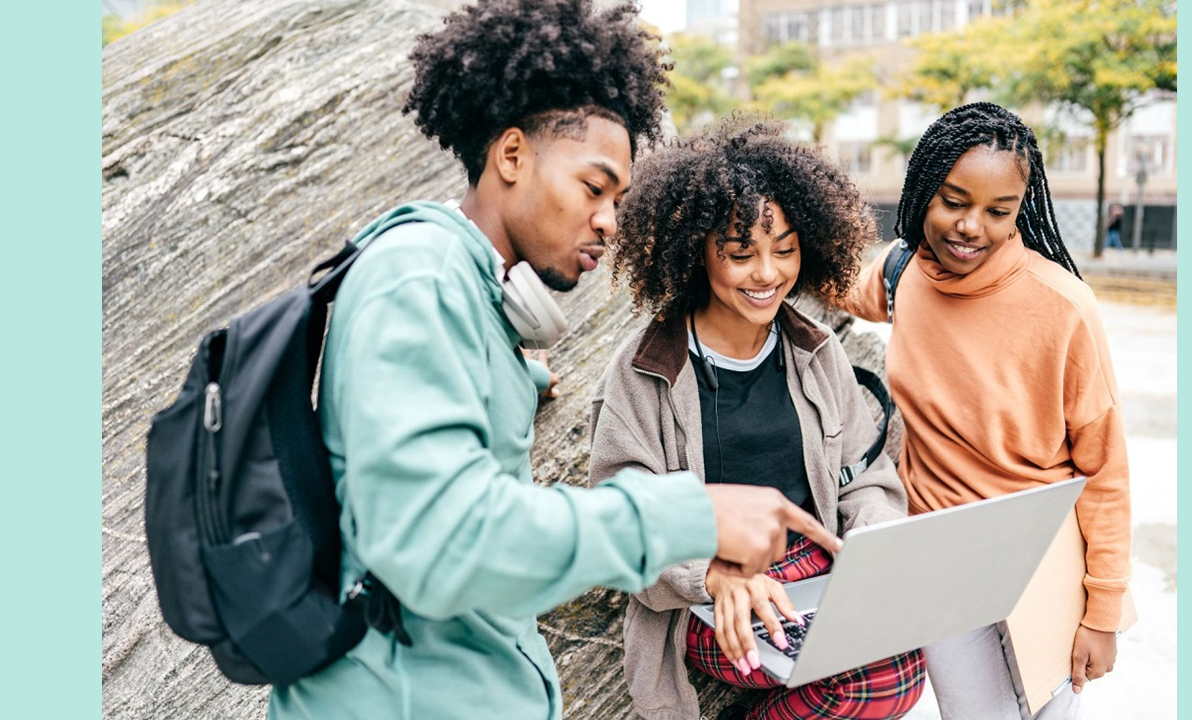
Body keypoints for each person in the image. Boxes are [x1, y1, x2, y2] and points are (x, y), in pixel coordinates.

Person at [267, 3, 841, 719]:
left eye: (620, 199)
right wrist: (690, 513)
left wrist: (519, 379)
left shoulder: (467, 300)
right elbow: (440, 548)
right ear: (511, 156)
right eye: (594, 188)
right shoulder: (417, 283)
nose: (609, 219)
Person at [588, 118, 925, 720]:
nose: (768, 273)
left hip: (817, 573)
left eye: (786, 248)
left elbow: (866, 479)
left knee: (906, 663)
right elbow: (624, 510)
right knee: (870, 681)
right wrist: (712, 574)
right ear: (697, 251)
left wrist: (872, 543)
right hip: (707, 590)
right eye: (741, 253)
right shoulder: (644, 369)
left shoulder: (817, 351)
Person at [840, 102, 1132, 720]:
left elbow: (1105, 472)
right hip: (943, 558)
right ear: (921, 191)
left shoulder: (1063, 306)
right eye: (953, 201)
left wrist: (1102, 611)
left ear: (1019, 209)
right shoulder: (903, 275)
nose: (972, 226)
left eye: (998, 212)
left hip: (1043, 561)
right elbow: (825, 278)